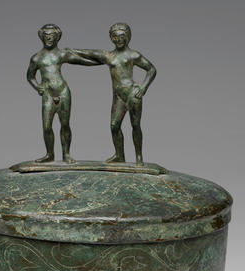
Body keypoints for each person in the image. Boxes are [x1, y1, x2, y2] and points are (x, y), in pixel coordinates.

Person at [76, 23, 156, 165]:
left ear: (128, 37)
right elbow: (91, 54)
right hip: (118, 96)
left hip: (132, 94)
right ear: (111, 38)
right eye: (115, 37)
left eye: (122, 36)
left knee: (135, 125)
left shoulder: (133, 55)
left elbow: (151, 69)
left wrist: (143, 88)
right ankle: (119, 155)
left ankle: (139, 157)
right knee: (114, 126)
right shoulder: (109, 56)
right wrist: (69, 52)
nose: (118, 40)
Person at [27, 24, 98, 163]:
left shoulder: (61, 54)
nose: (49, 38)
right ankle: (49, 154)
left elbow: (81, 60)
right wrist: (37, 87)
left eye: (52, 36)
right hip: (48, 94)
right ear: (41, 37)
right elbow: (30, 76)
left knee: (65, 124)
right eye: (46, 36)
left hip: (63, 92)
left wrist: (105, 61)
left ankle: (66, 154)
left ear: (57, 38)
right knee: (47, 126)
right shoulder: (36, 58)